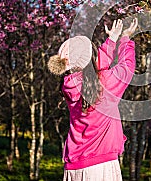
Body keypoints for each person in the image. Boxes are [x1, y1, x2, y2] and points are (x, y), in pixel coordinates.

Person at [47, 18, 138, 181]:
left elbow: (93, 68)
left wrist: (112, 40)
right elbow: (127, 66)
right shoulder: (105, 83)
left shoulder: (67, 84)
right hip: (100, 165)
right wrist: (125, 39)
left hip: (74, 165)